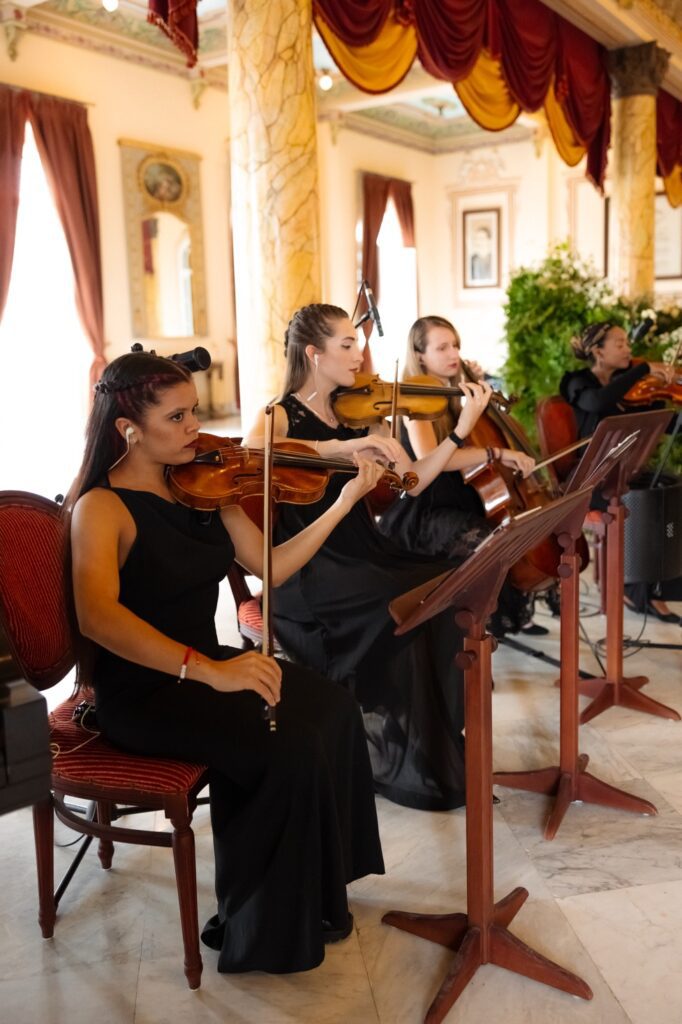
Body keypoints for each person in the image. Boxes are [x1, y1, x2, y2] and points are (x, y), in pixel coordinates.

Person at [66, 350, 385, 976]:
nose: (198, 428)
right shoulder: (100, 509)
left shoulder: (202, 483)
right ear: (129, 430)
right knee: (284, 746)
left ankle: (319, 894)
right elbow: (98, 618)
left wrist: (345, 502)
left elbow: (271, 566)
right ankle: (260, 928)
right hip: (144, 692)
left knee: (334, 708)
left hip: (206, 664)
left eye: (194, 411)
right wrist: (209, 670)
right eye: (178, 417)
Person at [245, 304, 522, 813]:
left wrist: (460, 431)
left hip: (363, 550)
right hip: (313, 568)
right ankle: (404, 748)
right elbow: (254, 451)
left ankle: (425, 745)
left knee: (449, 583)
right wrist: (342, 450)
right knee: (405, 607)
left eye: (358, 343)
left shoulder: (354, 411)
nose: (360, 354)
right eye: (347, 345)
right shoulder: (279, 414)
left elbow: (413, 479)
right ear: (314, 353)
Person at [377, 315, 539, 638]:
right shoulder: (415, 403)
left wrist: (474, 396)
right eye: (442, 347)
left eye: (456, 346)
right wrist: (498, 453)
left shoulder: (448, 393)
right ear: (420, 355)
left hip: (456, 499)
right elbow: (432, 458)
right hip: (424, 511)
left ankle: (483, 623)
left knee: (513, 530)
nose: (454, 354)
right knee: (487, 542)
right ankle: (472, 629)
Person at [560, 321, 681, 623]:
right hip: (588, 481)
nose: (629, 349)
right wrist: (641, 370)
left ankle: (654, 589)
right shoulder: (577, 383)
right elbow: (599, 402)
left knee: (672, 494)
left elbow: (661, 423)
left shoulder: (629, 390)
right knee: (643, 503)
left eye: (628, 343)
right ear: (598, 351)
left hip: (623, 476)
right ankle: (635, 589)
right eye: (620, 344)